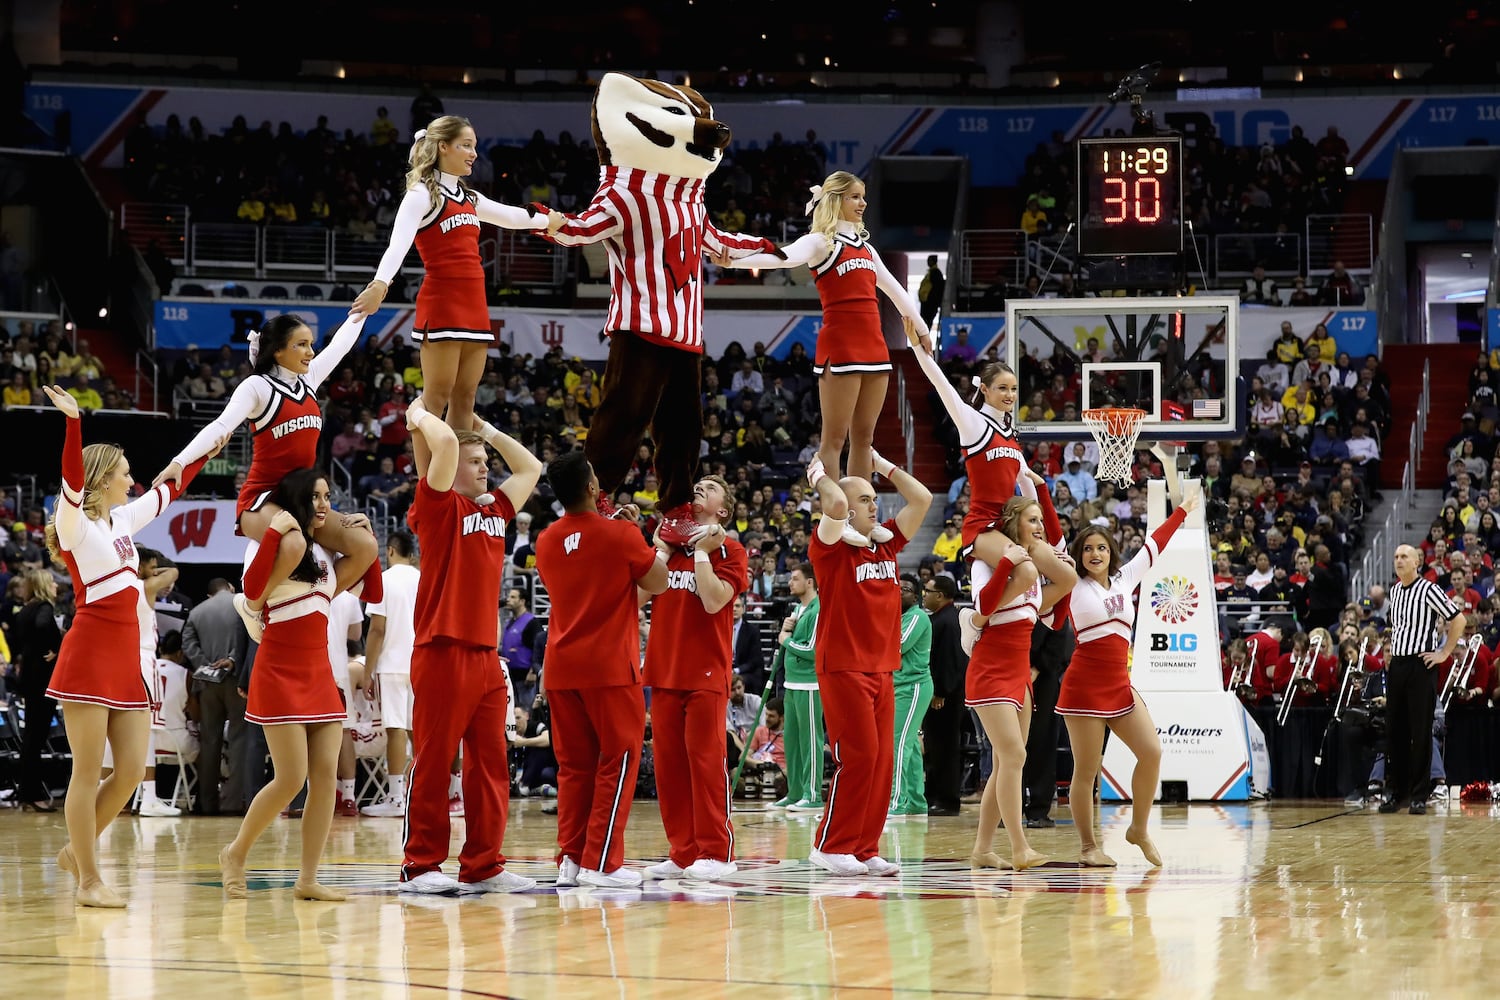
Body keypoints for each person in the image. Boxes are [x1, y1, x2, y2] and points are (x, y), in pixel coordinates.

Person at [41, 384, 218, 907]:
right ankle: (89, 881)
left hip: (127, 658)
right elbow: (72, 481)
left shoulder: (123, 520)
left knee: (130, 773)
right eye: (123, 471)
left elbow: (172, 485)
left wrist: (215, 440)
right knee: (88, 771)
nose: (132, 478)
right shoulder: (73, 524)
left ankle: (78, 850)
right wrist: (74, 423)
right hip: (90, 653)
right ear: (101, 479)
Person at [152, 313, 376, 642]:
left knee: (365, 546)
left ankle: (321, 597)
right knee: (294, 542)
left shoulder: (309, 379)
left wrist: (367, 307)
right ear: (277, 351)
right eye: (301, 345)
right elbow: (220, 426)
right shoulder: (257, 387)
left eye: (311, 344)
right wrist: (180, 462)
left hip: (304, 499)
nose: (311, 352)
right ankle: (253, 606)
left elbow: (341, 344)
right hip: (262, 499)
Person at [396, 395, 542, 893]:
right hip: (440, 649)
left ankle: (484, 865)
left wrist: (485, 430)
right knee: (435, 762)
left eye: (484, 462)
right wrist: (418, 414)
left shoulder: (496, 510)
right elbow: (439, 442)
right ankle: (420, 865)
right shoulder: (436, 505)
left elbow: (531, 467)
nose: (485, 469)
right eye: (475, 462)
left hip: (485, 654)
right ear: (452, 466)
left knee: (491, 765)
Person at [219, 468, 384, 902]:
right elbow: (252, 594)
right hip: (278, 669)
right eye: (316, 497)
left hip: (320, 672)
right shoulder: (272, 544)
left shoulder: (324, 555)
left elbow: (369, 581)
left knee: (325, 778)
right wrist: (275, 533)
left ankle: (308, 877)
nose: (326, 505)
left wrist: (365, 538)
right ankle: (235, 854)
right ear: (296, 500)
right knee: (290, 779)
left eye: (328, 496)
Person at [722, 171, 930, 487]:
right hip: (841, 346)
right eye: (854, 197)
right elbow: (783, 258)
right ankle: (836, 516)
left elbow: (897, 292)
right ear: (835, 200)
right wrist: (735, 261)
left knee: (864, 439)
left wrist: (923, 330)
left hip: (875, 347)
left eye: (863, 196)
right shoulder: (820, 242)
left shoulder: (867, 249)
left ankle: (859, 513)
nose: (862, 203)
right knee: (833, 440)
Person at [352, 116, 553, 434]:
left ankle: (456, 481)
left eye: (474, 146)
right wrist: (380, 283)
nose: (473, 153)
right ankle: (426, 482)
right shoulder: (421, 195)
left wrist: (555, 221)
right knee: (435, 399)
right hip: (442, 302)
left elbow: (514, 217)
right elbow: (397, 245)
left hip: (475, 305)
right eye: (466, 146)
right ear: (443, 147)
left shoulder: (470, 198)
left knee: (465, 399)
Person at [535, 449, 670, 888]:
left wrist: (619, 530)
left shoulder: (546, 540)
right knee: (620, 759)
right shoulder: (621, 535)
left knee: (574, 769)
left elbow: (592, 580)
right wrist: (633, 532)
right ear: (593, 488)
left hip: (561, 667)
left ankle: (571, 859)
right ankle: (603, 862)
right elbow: (659, 581)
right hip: (610, 667)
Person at [804, 441, 932, 877]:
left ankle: (863, 846)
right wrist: (820, 476)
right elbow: (836, 500)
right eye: (866, 500)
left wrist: (882, 466)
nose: (873, 507)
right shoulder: (830, 549)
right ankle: (830, 844)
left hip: (881, 667)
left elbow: (923, 499)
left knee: (881, 760)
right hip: (843, 665)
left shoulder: (887, 545)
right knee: (857, 756)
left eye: (875, 500)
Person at [1059, 486, 1200, 867]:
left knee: (1152, 752)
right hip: (1084, 685)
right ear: (1079, 554)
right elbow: (1054, 542)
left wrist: (1183, 511)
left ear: (1111, 552)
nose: (1094, 554)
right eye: (1087, 548)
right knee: (1086, 771)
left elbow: (1156, 544)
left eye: (1101, 548)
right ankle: (1089, 847)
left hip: (1119, 684)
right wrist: (1034, 487)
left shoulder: (1126, 579)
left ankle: (1138, 829)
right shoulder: (1071, 584)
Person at [964, 476, 1076, 872]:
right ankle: (1019, 846)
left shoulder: (1032, 580)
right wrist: (1013, 566)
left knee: (1007, 761)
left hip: (1019, 676)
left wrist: (1054, 561)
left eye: (1041, 522)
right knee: (1013, 755)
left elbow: (1061, 598)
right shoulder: (985, 564)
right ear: (1013, 525)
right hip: (990, 671)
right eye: (1033, 521)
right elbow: (984, 605)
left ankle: (981, 849)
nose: (1040, 528)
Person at [640, 475, 748, 882]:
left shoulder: (730, 550)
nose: (699, 487)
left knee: (705, 764)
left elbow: (714, 599)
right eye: (697, 485)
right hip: (664, 672)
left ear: (723, 510)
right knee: (669, 768)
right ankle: (682, 851)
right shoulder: (669, 548)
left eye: (711, 487)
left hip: (705, 673)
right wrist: (662, 553)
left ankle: (716, 852)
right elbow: (636, 597)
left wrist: (703, 554)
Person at [909, 343, 1030, 653]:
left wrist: (1049, 535)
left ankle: (1044, 621)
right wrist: (919, 349)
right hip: (983, 525)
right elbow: (940, 383)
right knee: (1027, 572)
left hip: (1010, 527)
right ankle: (975, 620)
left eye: (1014, 389)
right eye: (1002, 388)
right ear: (985, 390)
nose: (1010, 395)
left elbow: (1026, 481)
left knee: (1065, 574)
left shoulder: (1010, 431)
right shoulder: (973, 423)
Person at [1381, 544, 1465, 814]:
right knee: (1395, 731)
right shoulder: (1394, 591)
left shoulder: (1428, 589)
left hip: (1421, 664)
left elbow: (1459, 619)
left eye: (1404, 556)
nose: (1398, 560)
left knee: (1420, 732)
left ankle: (1419, 794)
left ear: (1417, 561)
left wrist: (1444, 653)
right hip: (1398, 665)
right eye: (1395, 557)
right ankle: (1395, 792)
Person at [360, 530, 420, 817]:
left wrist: (368, 671)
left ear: (391, 551)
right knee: (418, 730)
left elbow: (377, 629)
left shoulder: (383, 580)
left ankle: (397, 797)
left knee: (395, 728)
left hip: (393, 663)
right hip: (421, 663)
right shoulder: (425, 579)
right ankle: (422, 792)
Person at [182, 577, 252, 816]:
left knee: (209, 741)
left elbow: (187, 643)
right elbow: (250, 635)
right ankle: (233, 802)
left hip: (207, 684)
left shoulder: (197, 611)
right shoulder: (241, 603)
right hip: (236, 681)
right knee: (239, 740)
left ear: (210, 594)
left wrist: (207, 667)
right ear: (231, 588)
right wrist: (231, 660)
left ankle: (207, 803)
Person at [771, 562, 824, 812]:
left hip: (810, 684)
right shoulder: (797, 610)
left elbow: (813, 651)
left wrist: (786, 640)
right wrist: (786, 633)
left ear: (810, 582)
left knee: (810, 740)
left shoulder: (817, 610)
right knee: (791, 740)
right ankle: (795, 793)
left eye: (795, 579)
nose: (790, 583)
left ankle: (812, 795)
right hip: (791, 683)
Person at [10, 569, 62, 812]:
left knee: (31, 737)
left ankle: (25, 793)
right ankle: (32, 794)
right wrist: (55, 648)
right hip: (42, 679)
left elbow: (17, 638)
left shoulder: (24, 609)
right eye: (52, 582)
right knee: (36, 738)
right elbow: (43, 627)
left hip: (28, 677)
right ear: (43, 585)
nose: (56, 586)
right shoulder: (44, 608)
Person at [921, 575, 967, 816]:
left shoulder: (948, 621)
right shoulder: (942, 618)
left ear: (940, 595)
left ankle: (947, 800)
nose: (924, 594)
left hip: (945, 696)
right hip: (941, 692)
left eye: (927, 591)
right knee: (935, 747)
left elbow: (949, 661)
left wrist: (941, 692)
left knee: (945, 748)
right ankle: (935, 795)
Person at [889, 575, 934, 817]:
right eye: (897, 588)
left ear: (915, 597)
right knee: (911, 746)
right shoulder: (898, 617)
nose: (899, 593)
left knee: (899, 743)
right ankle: (916, 801)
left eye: (905, 589)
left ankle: (896, 802)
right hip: (900, 685)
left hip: (913, 685)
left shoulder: (918, 616)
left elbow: (899, 646)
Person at [918, 254, 946, 328]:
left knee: (927, 321)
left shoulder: (935, 272)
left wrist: (935, 301)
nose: (928, 262)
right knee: (924, 321)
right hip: (926, 302)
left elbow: (937, 288)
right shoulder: (930, 272)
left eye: (929, 260)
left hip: (930, 303)